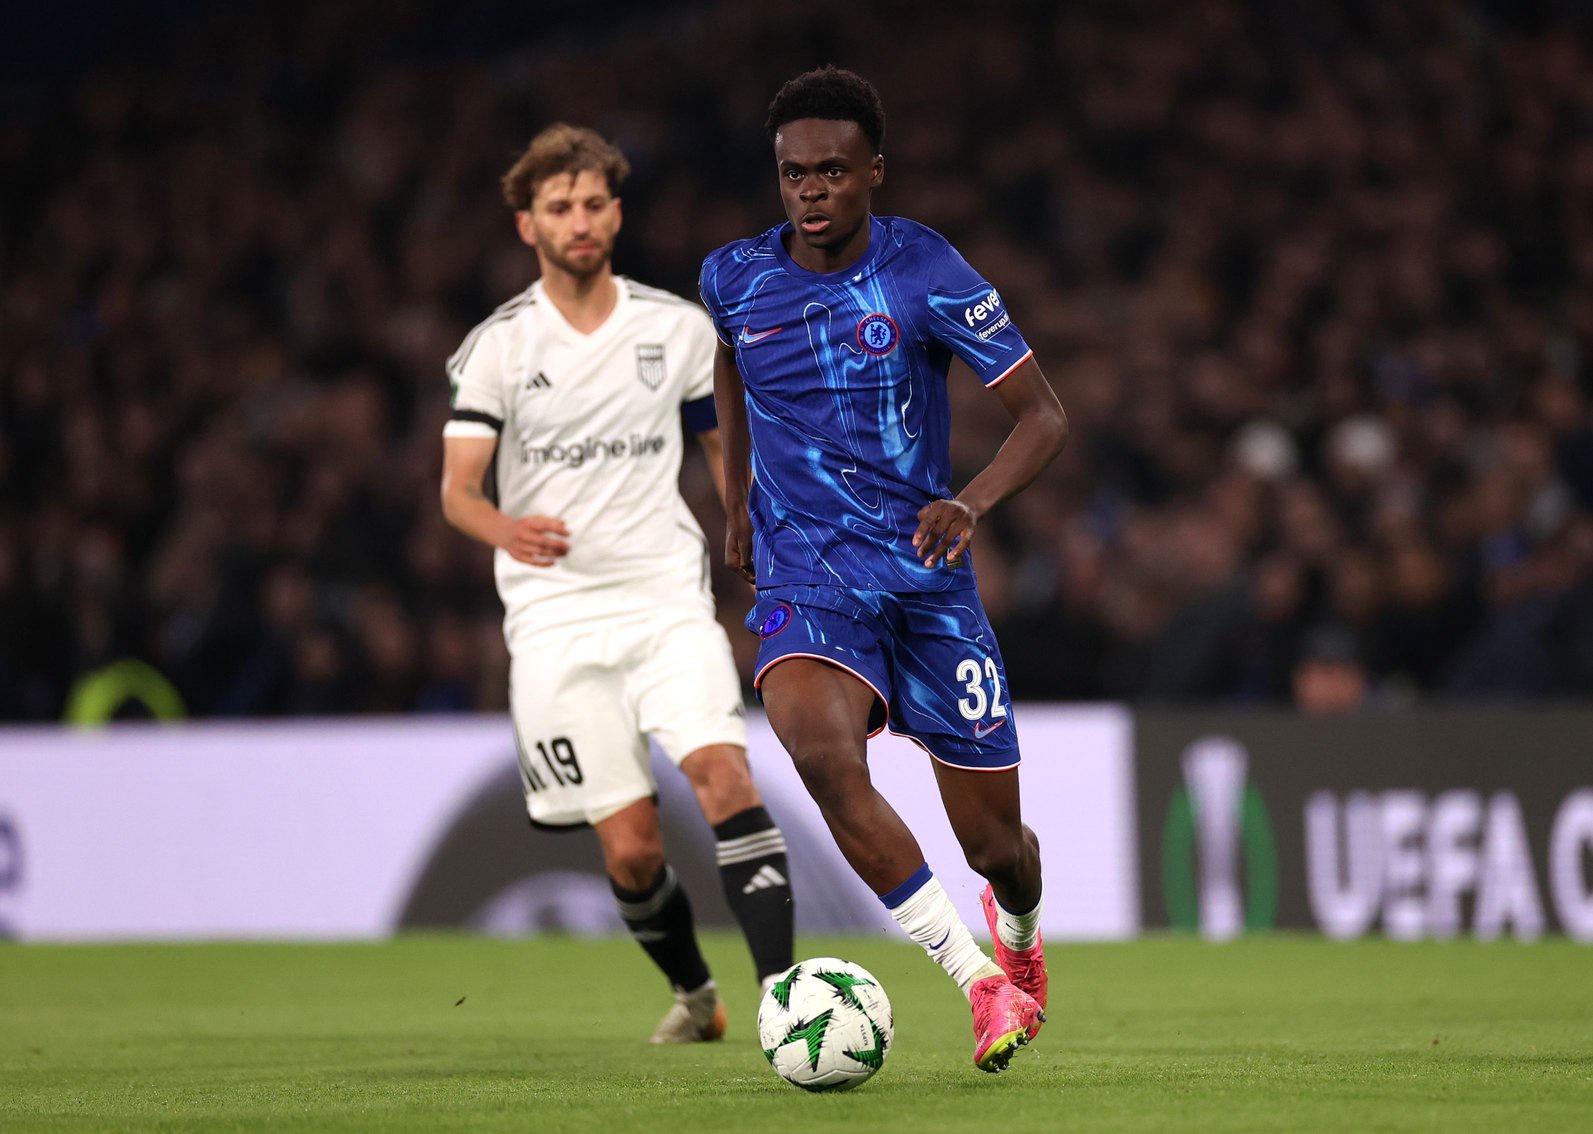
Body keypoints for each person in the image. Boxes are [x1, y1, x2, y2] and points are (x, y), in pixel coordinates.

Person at [700, 67, 1068, 1072]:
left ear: (873, 172)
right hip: (808, 577)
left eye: (830, 171)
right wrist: (735, 495)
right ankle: (977, 985)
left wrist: (971, 502)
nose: (811, 191)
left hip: (925, 580)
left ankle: (1019, 940)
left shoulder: (925, 271)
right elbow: (727, 363)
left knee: (1001, 848)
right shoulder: (733, 277)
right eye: (792, 175)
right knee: (821, 757)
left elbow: (1044, 417)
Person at [440, 124, 794, 1043]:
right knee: (632, 850)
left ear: (617, 212)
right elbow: (457, 493)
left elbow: (723, 450)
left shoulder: (674, 330)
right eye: (559, 208)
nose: (580, 220)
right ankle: (695, 996)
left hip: (666, 598)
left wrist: (743, 520)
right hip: (555, 619)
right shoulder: (499, 350)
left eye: (594, 203)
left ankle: (790, 1002)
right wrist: (507, 528)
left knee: (723, 778)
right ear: (528, 226)